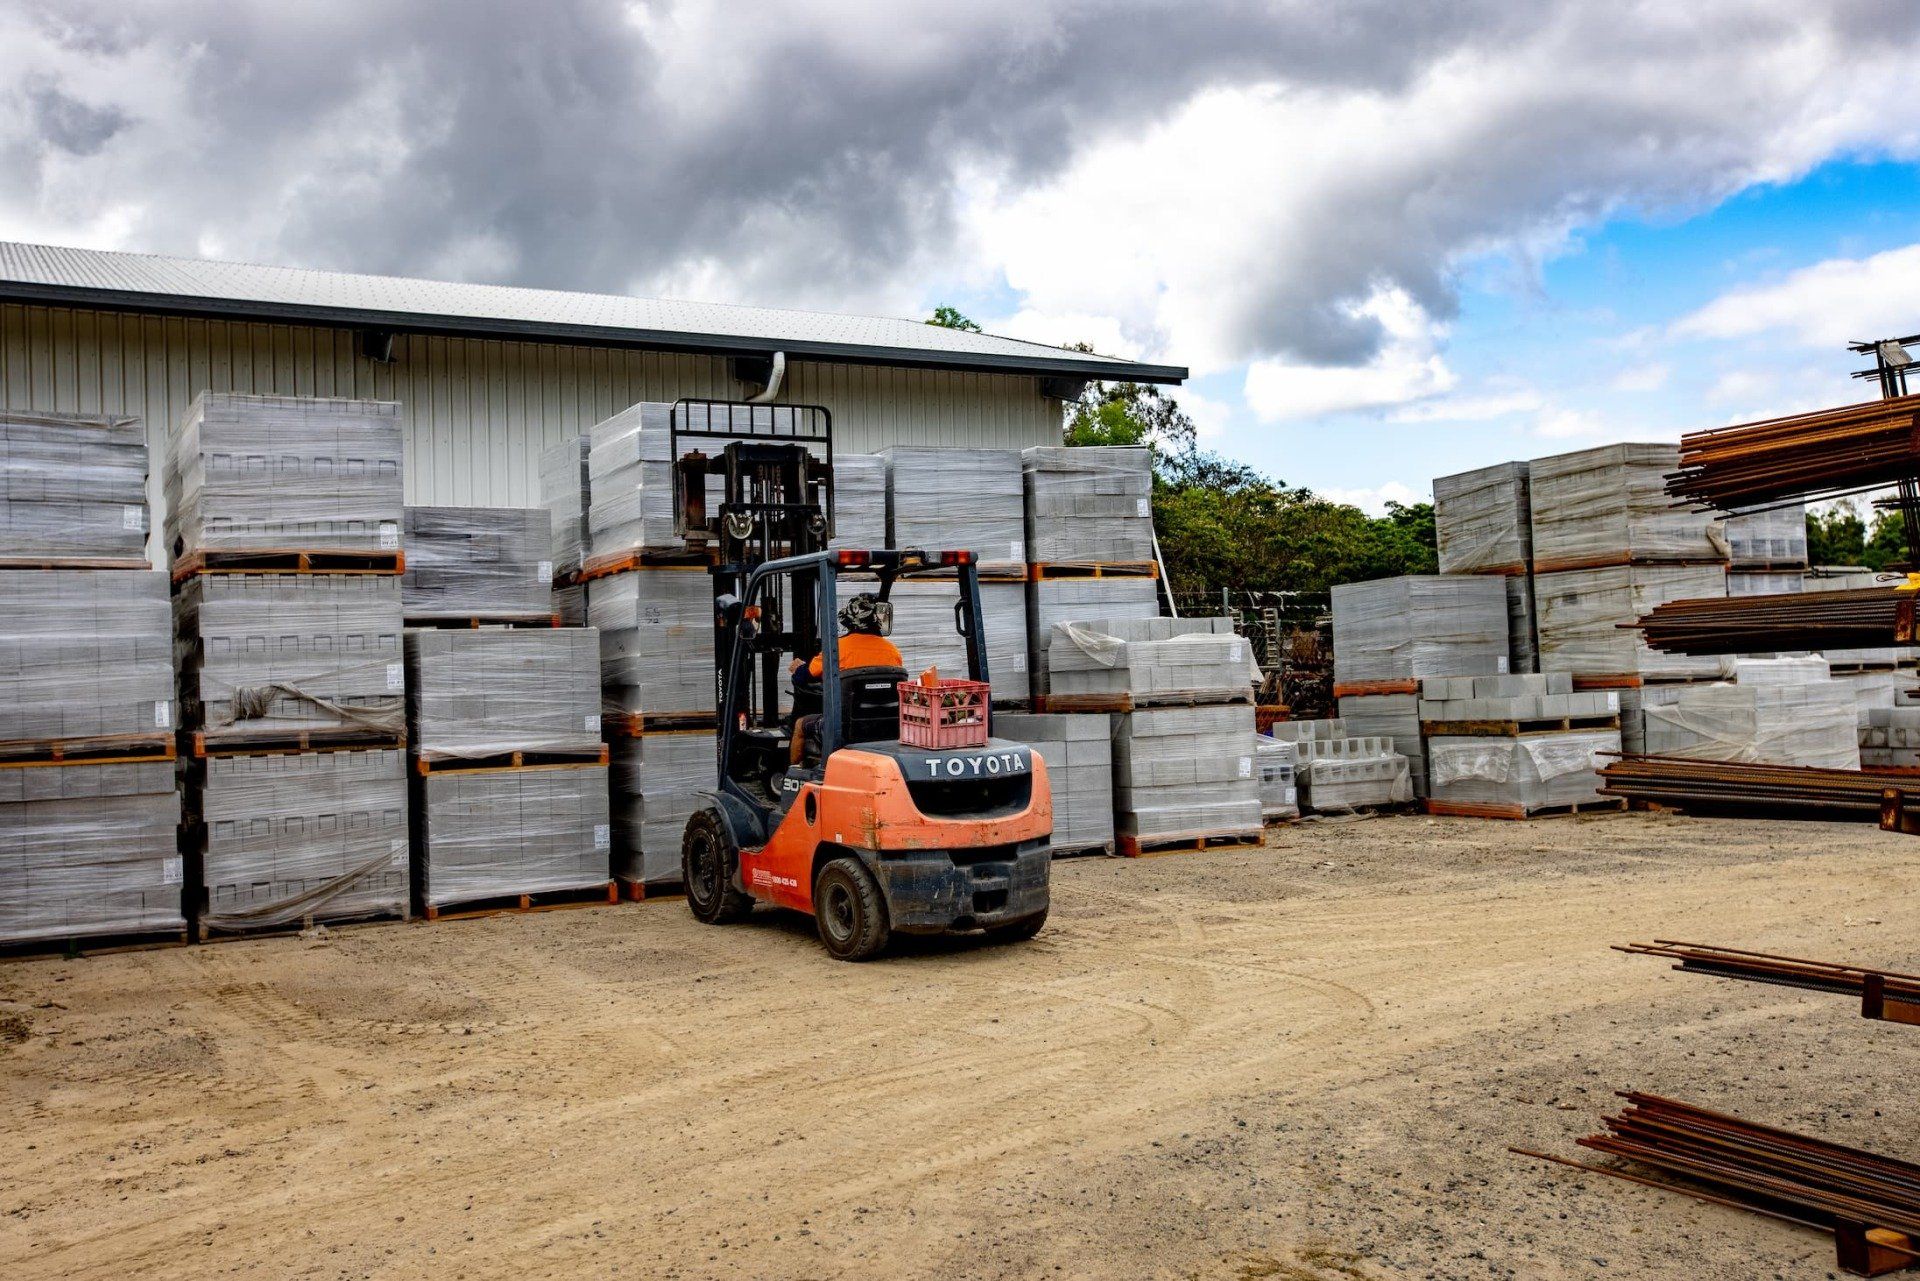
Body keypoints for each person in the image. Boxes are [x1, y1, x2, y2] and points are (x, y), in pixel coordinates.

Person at [789, 592, 903, 765]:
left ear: (849, 619)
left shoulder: (837, 648)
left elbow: (803, 677)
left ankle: (792, 777)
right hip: (886, 726)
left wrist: (798, 668)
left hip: (845, 727)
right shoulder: (893, 651)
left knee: (799, 725)